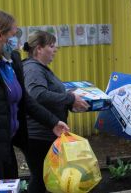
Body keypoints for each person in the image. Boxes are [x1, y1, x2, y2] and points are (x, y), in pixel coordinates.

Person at [0, 10, 71, 185]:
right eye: (13, 34)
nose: (17, 40)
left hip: (3, 140)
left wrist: (53, 122)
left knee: (11, 185)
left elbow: (25, 99)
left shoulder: (7, 62)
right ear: (0, 35)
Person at [22, 30, 89, 193]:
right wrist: (70, 98)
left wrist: (70, 104)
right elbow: (38, 95)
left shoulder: (41, 68)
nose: (56, 49)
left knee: (45, 178)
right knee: (40, 178)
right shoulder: (33, 69)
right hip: (38, 136)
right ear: (39, 49)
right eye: (51, 46)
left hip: (46, 133)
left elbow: (50, 97)